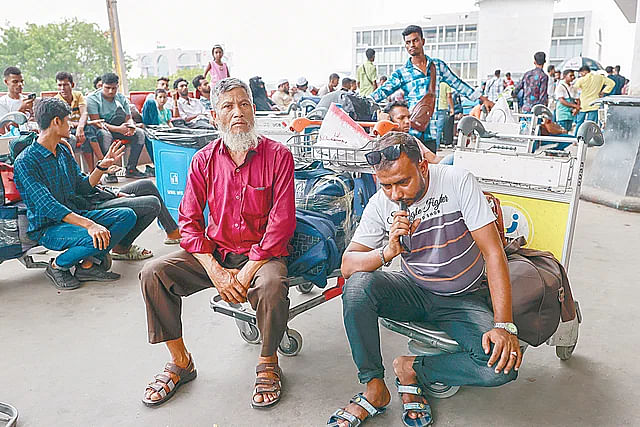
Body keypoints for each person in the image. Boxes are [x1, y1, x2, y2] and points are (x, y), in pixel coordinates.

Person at [328, 132, 520, 427]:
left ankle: (413, 368)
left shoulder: (457, 181)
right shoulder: (382, 203)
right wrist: (388, 251)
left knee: (500, 368)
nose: (396, 194)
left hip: (461, 297)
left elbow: (493, 253)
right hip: (413, 290)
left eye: (403, 182)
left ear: (423, 168)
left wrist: (503, 325)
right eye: (387, 185)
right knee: (357, 287)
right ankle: (374, 386)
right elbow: (348, 265)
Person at [139, 77, 296, 409]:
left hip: (261, 255)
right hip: (217, 252)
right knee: (154, 273)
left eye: (244, 104)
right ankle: (181, 361)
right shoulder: (203, 160)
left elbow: (281, 223)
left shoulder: (278, 156)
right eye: (227, 106)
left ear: (254, 110)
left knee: (271, 285)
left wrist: (246, 270)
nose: (237, 112)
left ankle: (268, 361)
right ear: (214, 116)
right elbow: (188, 221)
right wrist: (215, 269)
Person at [13, 97, 136, 290]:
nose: (71, 125)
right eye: (68, 119)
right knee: (92, 236)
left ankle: (87, 265)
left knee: (127, 216)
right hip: (48, 227)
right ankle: (57, 265)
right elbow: (48, 206)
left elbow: (82, 186)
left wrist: (102, 167)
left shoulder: (62, 150)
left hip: (75, 215)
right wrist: (90, 225)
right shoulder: (26, 161)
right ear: (56, 122)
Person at [370, 25, 493, 153]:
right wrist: (360, 102)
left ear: (422, 41)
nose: (412, 45)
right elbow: (382, 91)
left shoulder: (438, 66)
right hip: (412, 131)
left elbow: (458, 84)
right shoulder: (402, 73)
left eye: (415, 40)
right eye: (408, 42)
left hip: (432, 131)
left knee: (430, 170)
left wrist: (483, 99)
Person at [87, 72, 148, 181]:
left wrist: (131, 127)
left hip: (120, 127)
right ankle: (110, 172)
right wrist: (119, 129)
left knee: (140, 133)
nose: (111, 91)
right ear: (101, 86)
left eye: (114, 88)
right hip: (102, 129)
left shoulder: (121, 98)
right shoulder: (92, 99)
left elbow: (128, 117)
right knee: (105, 135)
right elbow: (97, 122)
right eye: (107, 88)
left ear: (117, 87)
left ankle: (131, 169)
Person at [55, 71, 102, 170]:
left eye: (65, 85)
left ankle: (94, 169)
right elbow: (66, 123)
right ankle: (100, 163)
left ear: (72, 85)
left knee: (89, 132)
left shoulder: (78, 95)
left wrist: (80, 127)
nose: (62, 88)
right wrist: (82, 125)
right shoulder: (56, 101)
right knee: (88, 130)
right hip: (67, 130)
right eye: (59, 85)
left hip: (82, 128)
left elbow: (84, 113)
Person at [573, 65, 614, 134]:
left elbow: (575, 89)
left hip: (583, 104)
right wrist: (604, 91)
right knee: (591, 123)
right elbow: (612, 83)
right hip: (594, 104)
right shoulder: (600, 77)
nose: (581, 75)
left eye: (581, 73)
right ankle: (588, 139)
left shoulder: (581, 80)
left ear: (584, 72)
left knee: (579, 122)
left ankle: (576, 138)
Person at [434, 81, 454, 150]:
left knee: (434, 127)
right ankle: (436, 146)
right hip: (443, 107)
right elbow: (449, 96)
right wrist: (451, 108)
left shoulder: (435, 83)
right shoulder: (446, 84)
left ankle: (434, 145)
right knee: (439, 128)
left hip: (434, 107)